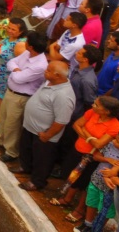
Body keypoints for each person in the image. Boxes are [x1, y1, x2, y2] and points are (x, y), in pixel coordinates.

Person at [13, 60, 75, 191]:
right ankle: (25, 167)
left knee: (42, 159)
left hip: (44, 134)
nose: (45, 71)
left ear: (57, 75)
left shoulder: (64, 95)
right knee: (26, 149)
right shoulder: (49, 81)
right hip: (30, 127)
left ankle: (37, 181)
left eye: (48, 70)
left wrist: (47, 135)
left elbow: (62, 120)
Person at [0, 31, 50, 164]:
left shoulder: (40, 65)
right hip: (10, 92)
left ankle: (11, 151)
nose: (24, 43)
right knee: (3, 117)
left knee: (12, 125)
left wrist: (15, 71)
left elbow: (19, 78)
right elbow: (11, 62)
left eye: (27, 41)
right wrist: (17, 70)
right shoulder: (27, 53)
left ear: (31, 46)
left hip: (20, 97)